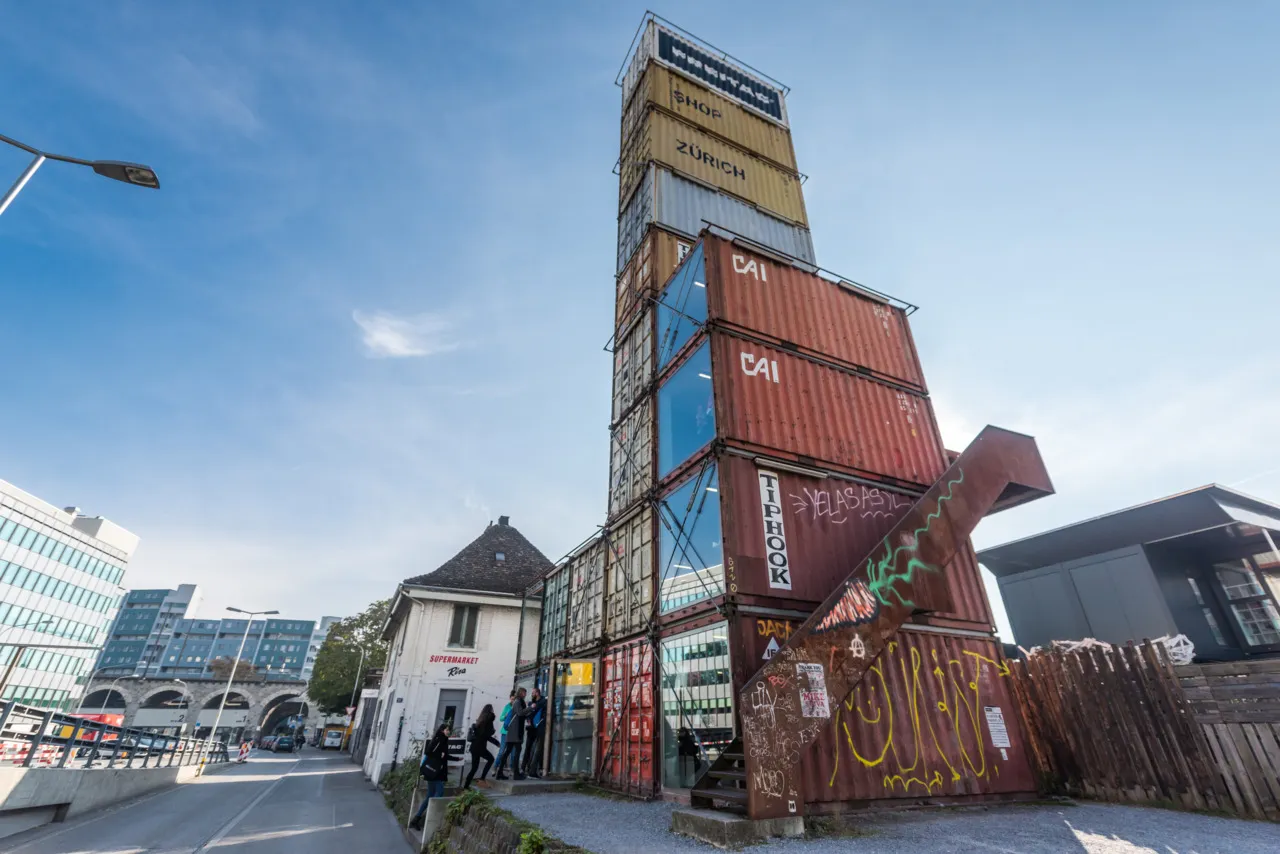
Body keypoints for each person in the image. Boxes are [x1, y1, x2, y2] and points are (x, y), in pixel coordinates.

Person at [409, 724, 459, 831]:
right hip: (436, 772)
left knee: (430, 795)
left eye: (448, 730)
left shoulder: (440, 739)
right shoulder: (440, 739)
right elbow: (430, 752)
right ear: (442, 730)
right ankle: (429, 817)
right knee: (439, 792)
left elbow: (443, 755)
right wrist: (440, 755)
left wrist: (455, 758)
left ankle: (416, 819)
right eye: (446, 730)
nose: (448, 731)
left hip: (432, 771)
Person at [463, 705, 500, 788]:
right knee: (491, 759)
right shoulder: (489, 721)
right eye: (492, 710)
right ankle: (482, 779)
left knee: (474, 768)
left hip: (474, 747)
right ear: (490, 711)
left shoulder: (480, 720)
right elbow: (487, 736)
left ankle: (466, 786)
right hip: (480, 747)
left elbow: (482, 734)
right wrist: (497, 743)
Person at [494, 687, 527, 780]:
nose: (525, 695)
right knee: (515, 751)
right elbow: (520, 713)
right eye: (524, 693)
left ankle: (500, 772)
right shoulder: (518, 702)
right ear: (521, 693)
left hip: (513, 731)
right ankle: (515, 773)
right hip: (515, 731)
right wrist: (530, 709)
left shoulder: (518, 702)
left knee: (508, 751)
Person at [521, 687, 547, 778]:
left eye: (533, 693)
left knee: (535, 749)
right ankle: (525, 768)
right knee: (529, 748)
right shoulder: (533, 703)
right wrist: (528, 719)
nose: (531, 694)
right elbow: (528, 715)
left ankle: (531, 769)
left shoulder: (543, 702)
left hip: (538, 728)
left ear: (537, 693)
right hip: (531, 729)